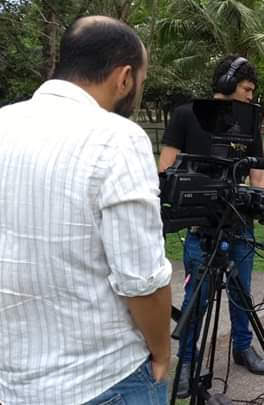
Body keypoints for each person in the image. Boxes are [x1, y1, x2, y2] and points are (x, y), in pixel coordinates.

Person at [0, 16, 172, 404]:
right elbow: (141, 279)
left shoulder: (4, 122)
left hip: (13, 382)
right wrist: (162, 352)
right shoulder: (118, 138)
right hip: (104, 378)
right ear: (124, 78)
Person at [158, 55, 264, 396]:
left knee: (242, 292)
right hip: (200, 226)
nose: (250, 96)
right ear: (227, 84)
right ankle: (187, 360)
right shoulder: (186, 115)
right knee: (197, 297)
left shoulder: (249, 123)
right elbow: (166, 170)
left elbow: (258, 176)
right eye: (246, 89)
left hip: (240, 222)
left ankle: (242, 347)